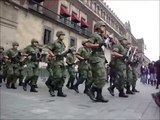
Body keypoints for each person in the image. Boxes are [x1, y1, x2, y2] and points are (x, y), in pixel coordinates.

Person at [84, 21, 109, 102]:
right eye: (103, 26)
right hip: (96, 58)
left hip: (100, 58)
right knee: (102, 77)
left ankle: (99, 96)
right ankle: (91, 90)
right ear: (98, 27)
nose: (104, 28)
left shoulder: (101, 37)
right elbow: (87, 44)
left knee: (98, 78)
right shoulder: (94, 35)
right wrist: (99, 45)